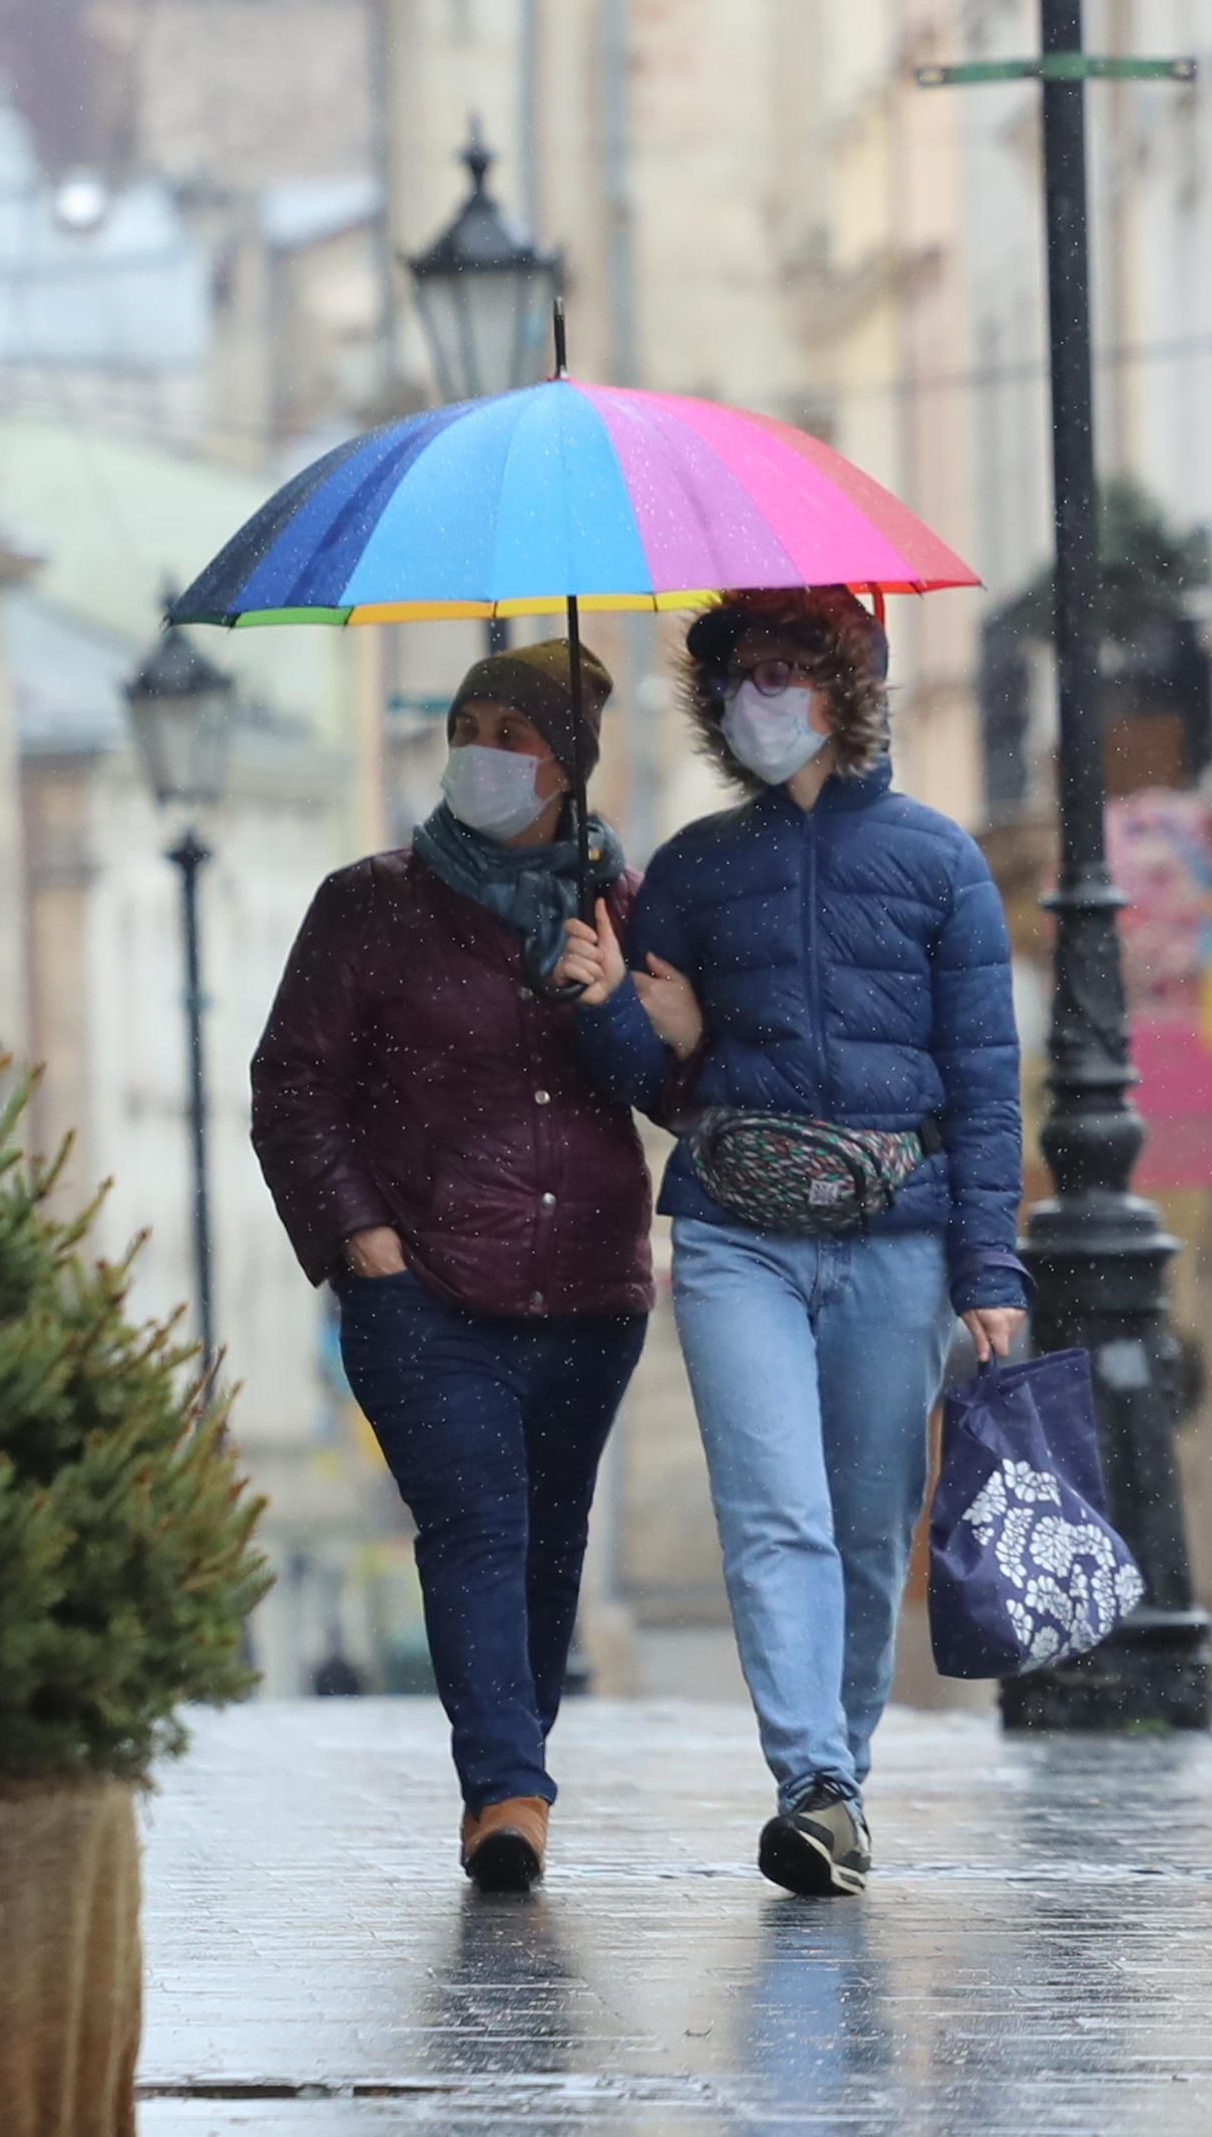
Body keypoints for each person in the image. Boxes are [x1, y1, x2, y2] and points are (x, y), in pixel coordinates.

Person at [570, 585, 1028, 1901]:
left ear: (846, 684)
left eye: (783, 669)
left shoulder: (939, 864)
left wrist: (986, 1270)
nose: (756, 697)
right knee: (772, 1513)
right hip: (734, 1236)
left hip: (895, 1239)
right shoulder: (694, 869)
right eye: (736, 676)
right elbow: (650, 1082)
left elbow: (982, 1079)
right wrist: (618, 1010)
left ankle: (843, 1773)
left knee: (870, 1524)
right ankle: (810, 1782)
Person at [248, 640, 652, 1896]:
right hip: (424, 1287)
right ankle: (505, 1794)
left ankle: (511, 1762)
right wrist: (359, 1239)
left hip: (589, 1283)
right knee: (472, 1524)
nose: (483, 747)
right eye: (468, 722)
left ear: (566, 765)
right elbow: (291, 1084)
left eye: (514, 732)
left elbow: (678, 1086)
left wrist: (613, 1001)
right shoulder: (368, 901)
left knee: (548, 1542)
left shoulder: (622, 907)